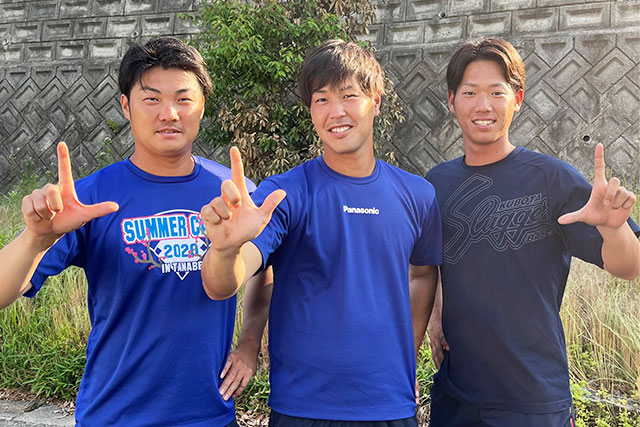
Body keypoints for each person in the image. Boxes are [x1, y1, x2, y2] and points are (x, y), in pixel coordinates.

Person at [0, 37, 269, 426]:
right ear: (126, 106)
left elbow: (265, 265)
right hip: (114, 414)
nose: (169, 113)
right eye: (152, 99)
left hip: (208, 414)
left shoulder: (233, 194)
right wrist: (35, 239)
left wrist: (249, 345)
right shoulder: (89, 198)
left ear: (202, 106)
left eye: (183, 99)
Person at [199, 39, 443, 426]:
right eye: (321, 99)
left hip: (390, 406)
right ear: (311, 111)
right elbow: (222, 284)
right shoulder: (284, 194)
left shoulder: (418, 195)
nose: (336, 112)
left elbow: (422, 274)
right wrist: (226, 250)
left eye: (349, 95)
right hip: (303, 408)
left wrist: (408, 358)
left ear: (376, 101)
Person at [425, 37, 640, 426]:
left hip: (534, 398)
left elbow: (629, 266)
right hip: (456, 397)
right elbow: (430, 263)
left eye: (497, 92)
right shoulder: (436, 183)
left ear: (518, 99)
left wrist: (613, 228)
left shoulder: (551, 179)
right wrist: (437, 307)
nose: (483, 105)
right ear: (452, 101)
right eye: (470, 93)